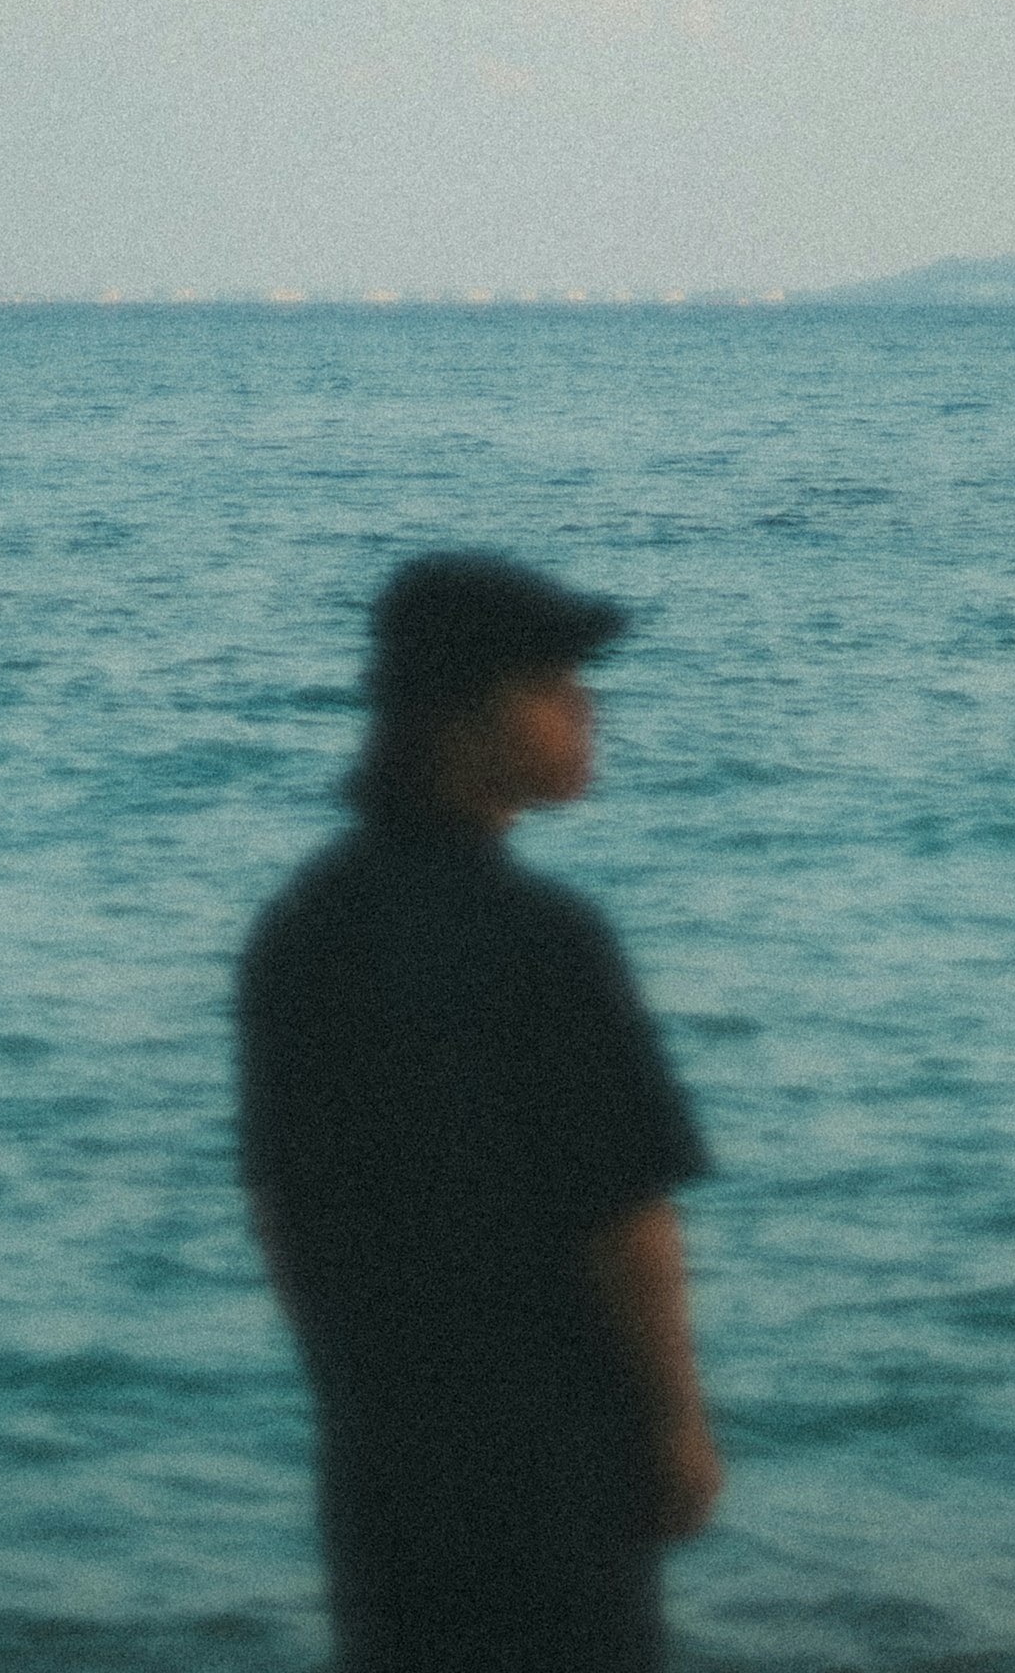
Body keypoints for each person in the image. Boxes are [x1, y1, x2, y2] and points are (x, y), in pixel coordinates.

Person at [236, 553, 718, 1673]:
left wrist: (353, 1393)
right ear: (466, 717)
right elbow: (624, 1219)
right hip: (553, 1458)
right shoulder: (544, 939)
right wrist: (676, 1425)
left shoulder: (302, 928)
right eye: (554, 688)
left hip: (383, 1461)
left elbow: (280, 1208)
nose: (585, 713)